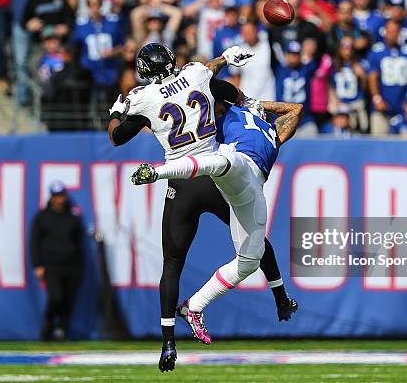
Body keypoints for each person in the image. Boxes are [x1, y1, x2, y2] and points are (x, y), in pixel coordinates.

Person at [106, 43, 297, 372]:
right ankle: (279, 296)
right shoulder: (196, 74)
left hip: (181, 185)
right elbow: (220, 83)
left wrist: (116, 112)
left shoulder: (142, 97)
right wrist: (225, 58)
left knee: (172, 263)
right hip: (213, 175)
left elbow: (117, 137)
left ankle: (168, 341)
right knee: (252, 230)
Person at [131, 95, 303, 348]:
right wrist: (250, 104)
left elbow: (296, 109)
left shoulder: (270, 131)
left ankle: (194, 307)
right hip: (239, 164)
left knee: (249, 262)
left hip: (252, 192)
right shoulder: (242, 120)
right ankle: (157, 172)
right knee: (221, 162)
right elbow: (292, 109)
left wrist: (253, 104)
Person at [30, 181, 84, 341]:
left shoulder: (73, 216)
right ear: (51, 197)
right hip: (51, 265)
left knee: (69, 298)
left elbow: (79, 243)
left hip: (72, 265)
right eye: (57, 196)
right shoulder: (42, 217)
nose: (60, 199)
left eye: (62, 195)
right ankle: (48, 325)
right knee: (56, 296)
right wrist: (37, 264)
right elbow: (34, 242)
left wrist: (81, 266)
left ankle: (62, 328)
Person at [367, 19, 407, 134]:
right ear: (385, 32)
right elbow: (372, 77)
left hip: (404, 109)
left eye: (395, 31)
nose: (392, 35)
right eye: (390, 31)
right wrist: (377, 98)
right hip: (383, 107)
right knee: (379, 143)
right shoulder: (377, 51)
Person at [73, 0, 124, 96]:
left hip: (110, 70)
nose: (94, 7)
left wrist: (113, 52)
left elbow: (124, 45)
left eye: (97, 4)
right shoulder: (81, 24)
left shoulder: (113, 22)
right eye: (91, 4)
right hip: (88, 73)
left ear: (101, 4)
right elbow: (75, 48)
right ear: (88, 6)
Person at [275, 41, 316, 127]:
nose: (293, 57)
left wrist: (308, 52)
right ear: (286, 55)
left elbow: (313, 60)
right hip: (285, 119)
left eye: (296, 54)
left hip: (304, 119)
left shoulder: (306, 69)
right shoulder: (280, 69)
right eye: (291, 54)